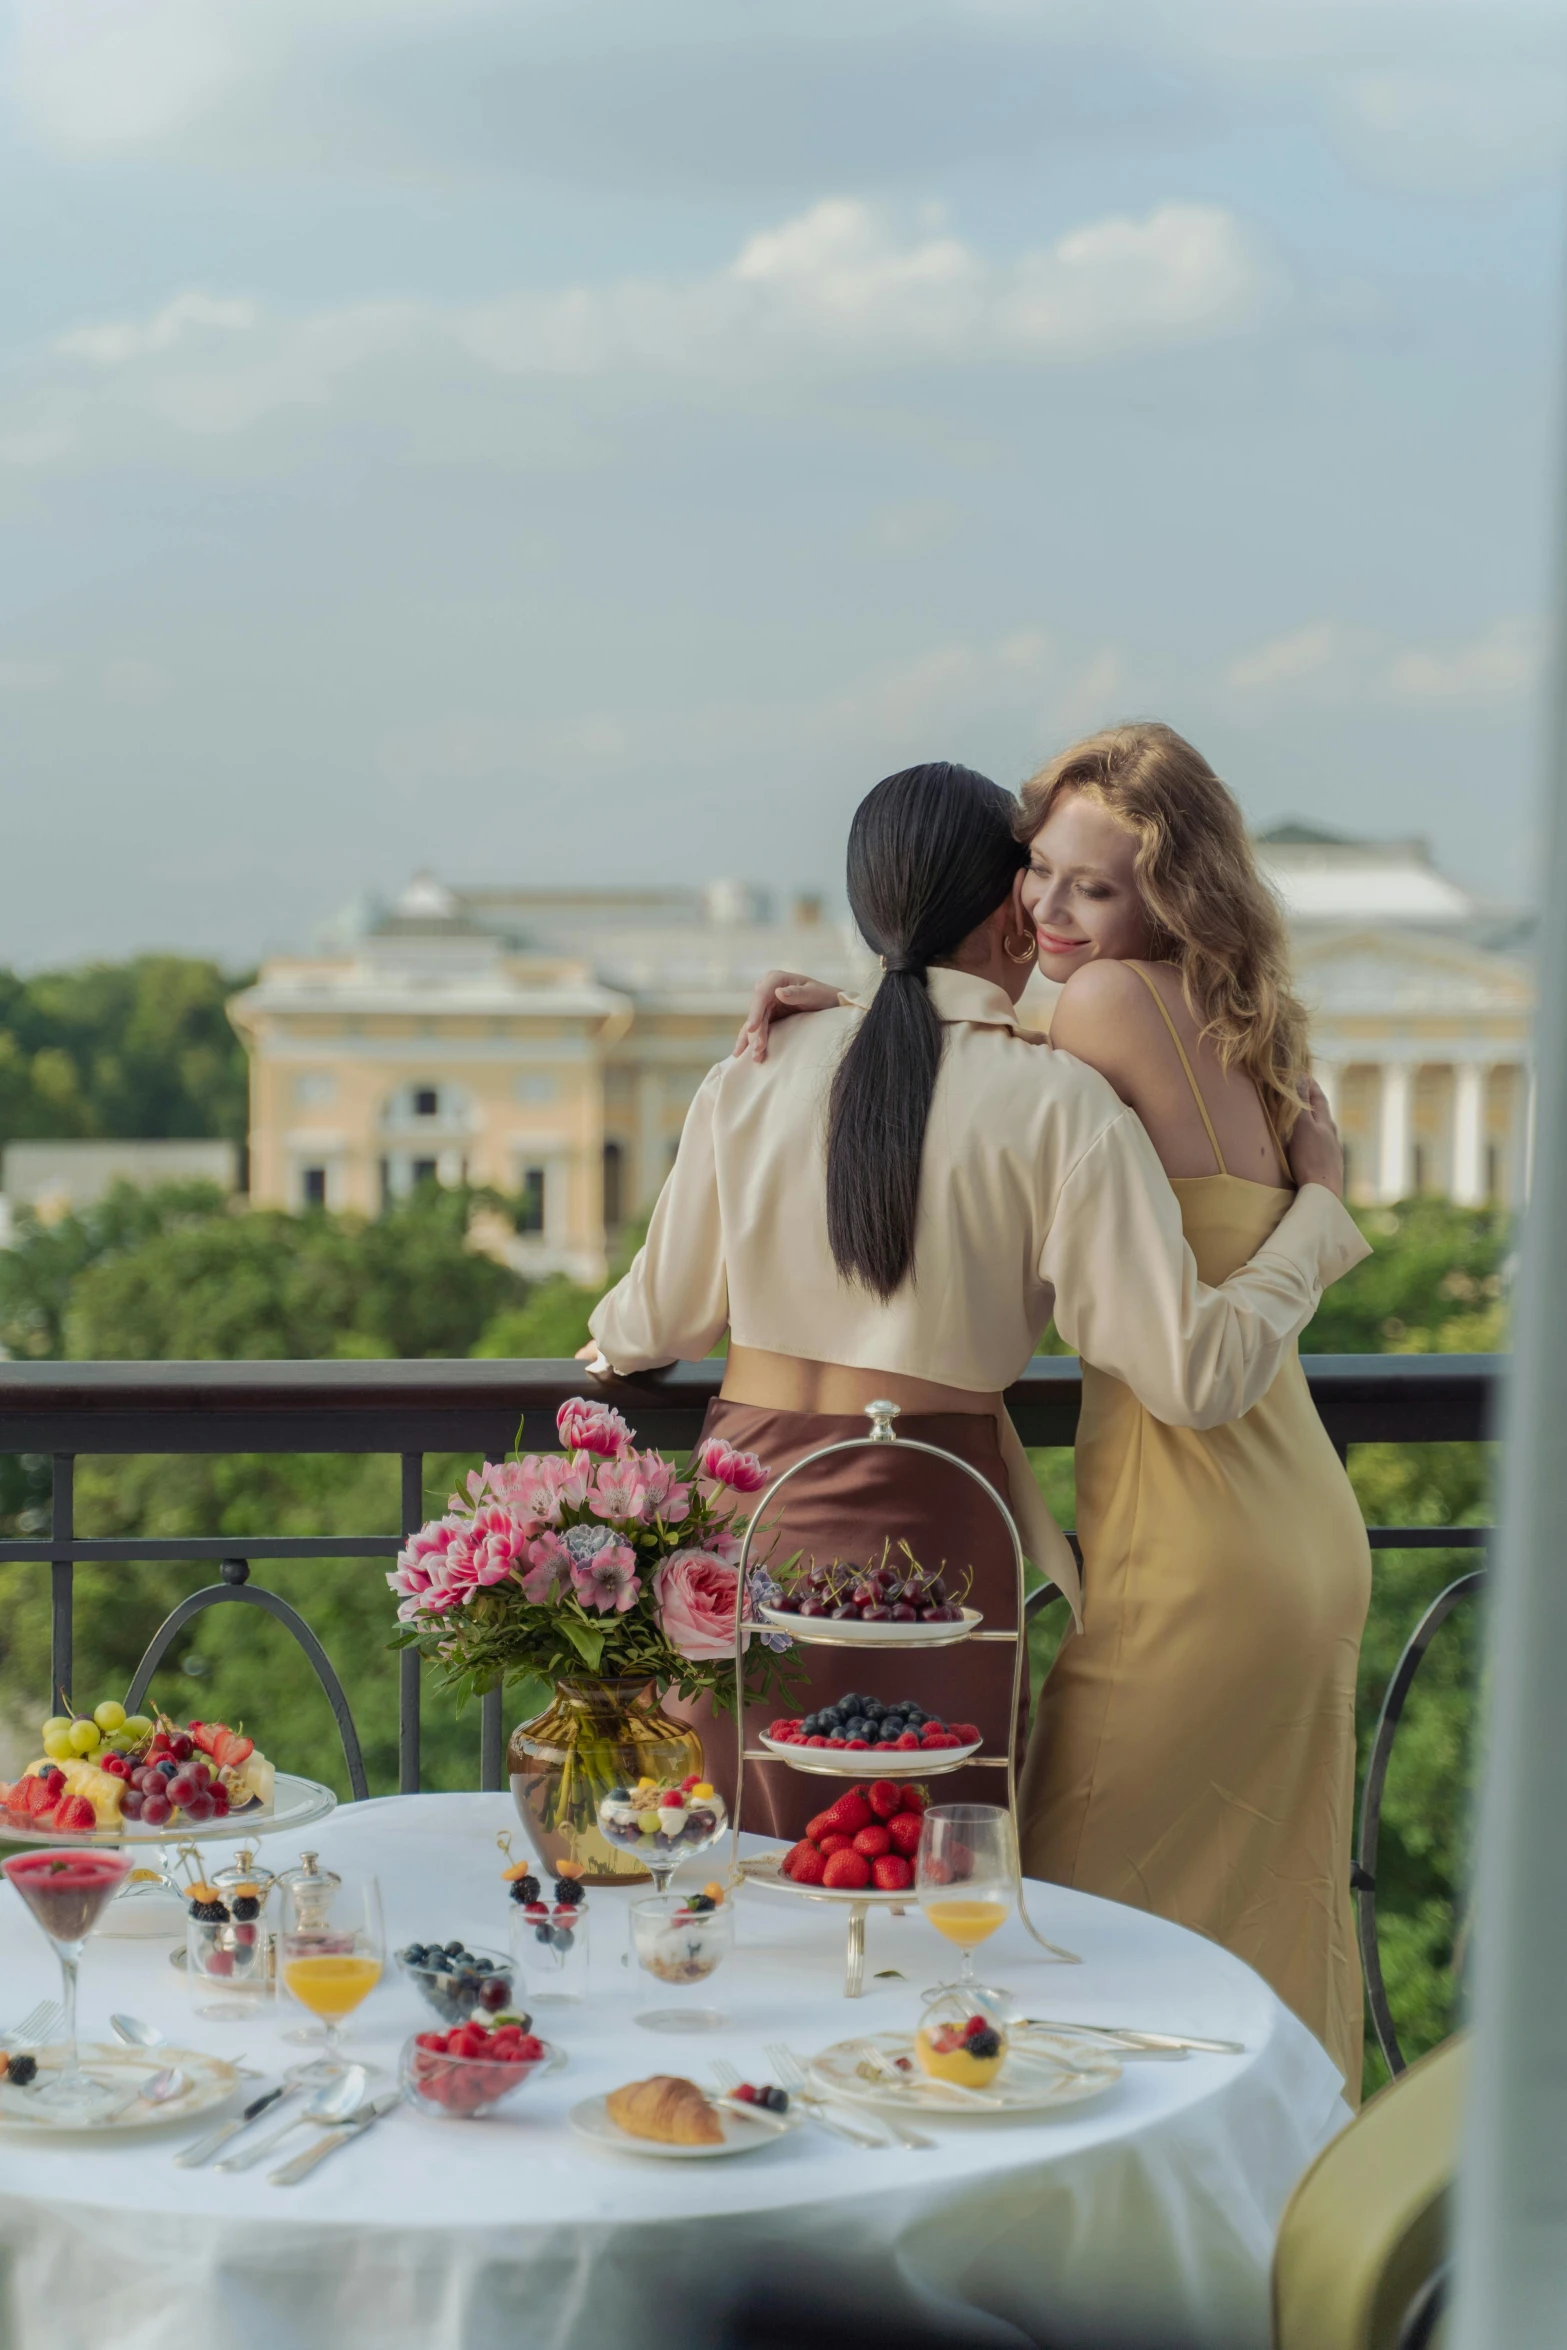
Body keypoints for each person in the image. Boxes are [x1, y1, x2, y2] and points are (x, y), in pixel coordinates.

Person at [583, 759, 1365, 1889]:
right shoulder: (1059, 1106)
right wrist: (1316, 1222)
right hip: (925, 1538)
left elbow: (652, 1316)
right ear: (1008, 903)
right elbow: (1196, 1374)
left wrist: (610, 1345)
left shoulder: (750, 1068)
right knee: (904, 1893)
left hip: (734, 1525)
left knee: (715, 1879)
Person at [733, 723, 1373, 2100]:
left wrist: (1325, 1220)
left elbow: (958, 1073)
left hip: (1190, 1546)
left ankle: (1098, 2245)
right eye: (1035, 872)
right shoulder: (1229, 1013)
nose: (1042, 909)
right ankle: (1278, 2197)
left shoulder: (1096, 1011)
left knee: (1070, 1929)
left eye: (1091, 886)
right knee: (1254, 1917)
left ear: (1170, 894)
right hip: (1294, 1527)